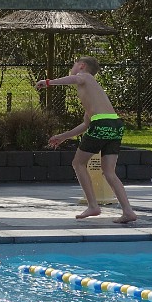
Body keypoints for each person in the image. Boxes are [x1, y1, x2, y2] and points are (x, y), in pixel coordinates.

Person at [35, 56, 138, 224]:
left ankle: (93, 206)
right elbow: (86, 124)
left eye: (73, 65)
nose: (72, 68)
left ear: (81, 66)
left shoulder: (85, 77)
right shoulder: (93, 93)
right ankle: (128, 211)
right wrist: (62, 137)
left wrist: (48, 82)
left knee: (78, 163)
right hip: (115, 125)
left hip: (102, 124)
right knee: (109, 172)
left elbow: (77, 78)